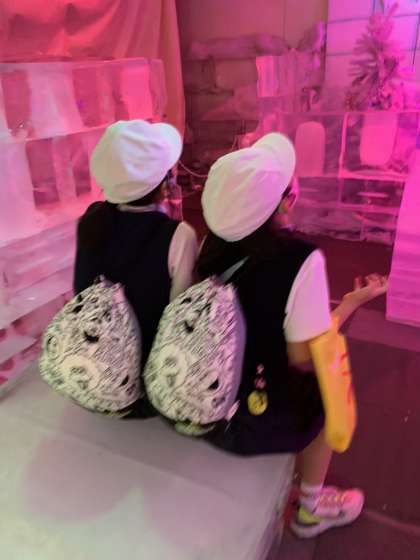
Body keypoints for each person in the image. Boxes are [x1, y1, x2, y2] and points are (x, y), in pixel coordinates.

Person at [197, 133, 388, 538]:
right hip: (246, 420)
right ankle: (310, 511)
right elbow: (303, 357)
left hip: (202, 405)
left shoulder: (208, 246)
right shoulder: (300, 260)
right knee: (328, 390)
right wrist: (349, 305)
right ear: (285, 202)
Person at [74, 119, 198, 416]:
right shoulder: (179, 235)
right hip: (145, 385)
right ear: (162, 184)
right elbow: (178, 321)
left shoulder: (90, 221)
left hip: (93, 371)